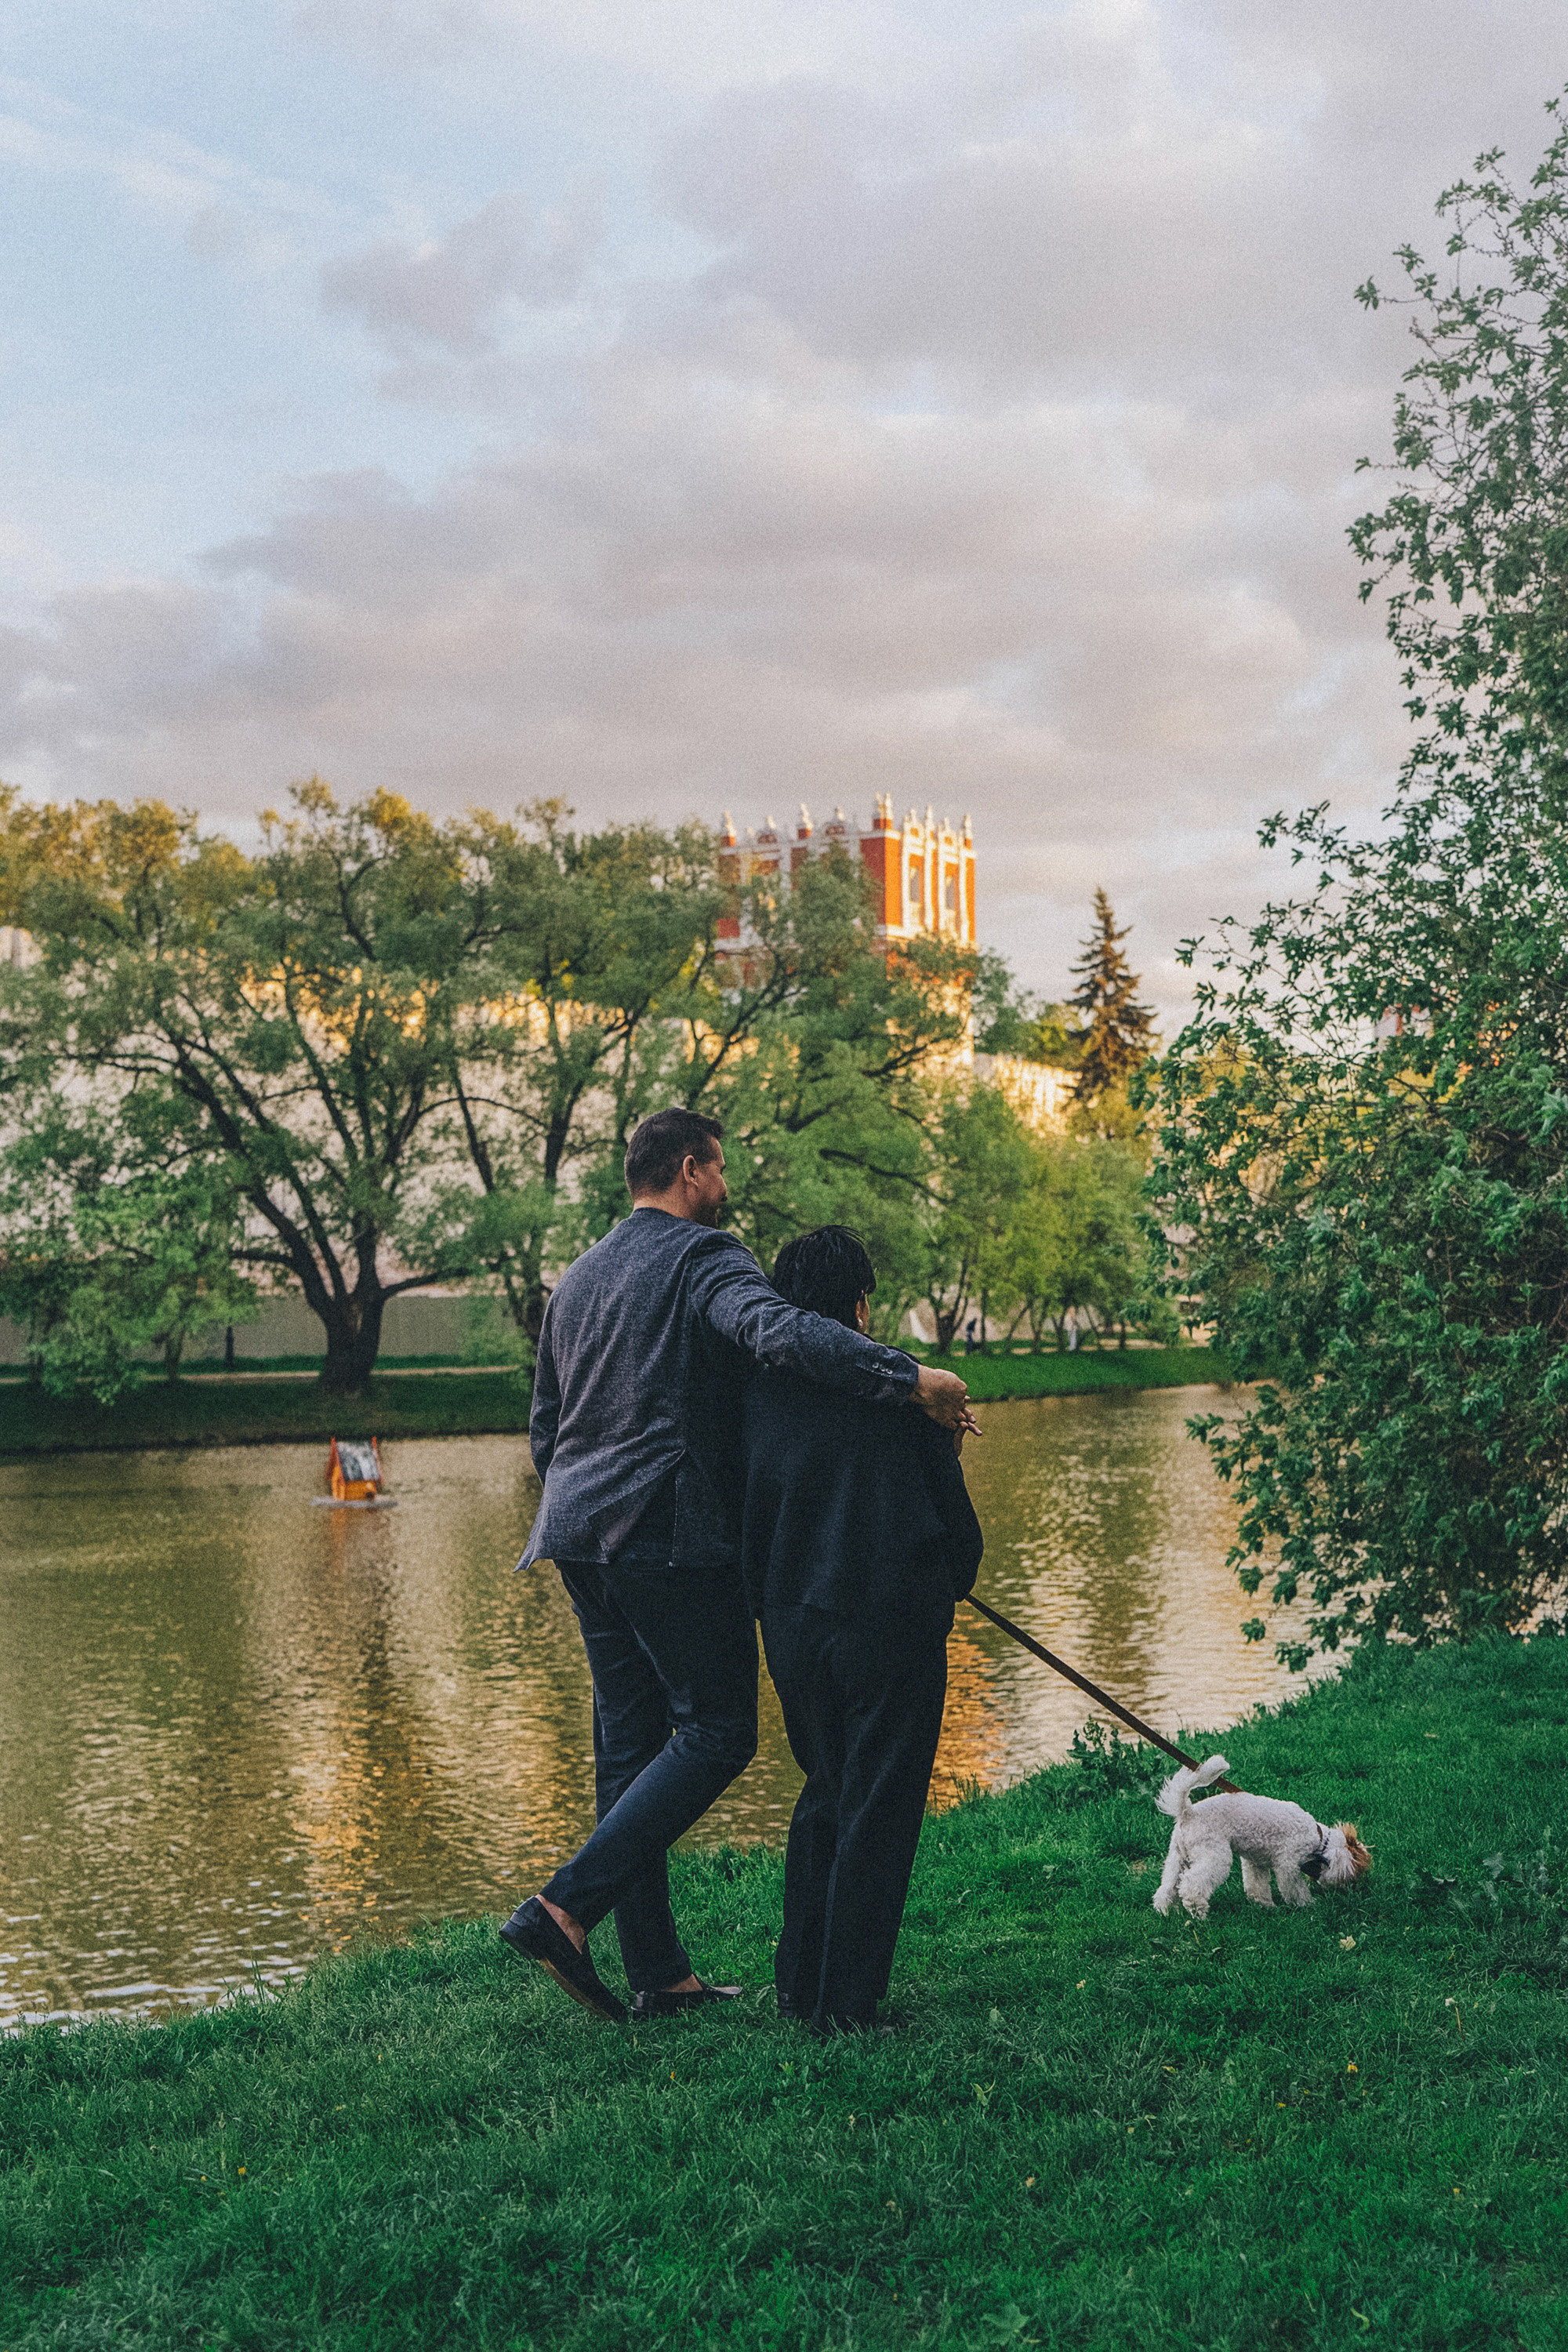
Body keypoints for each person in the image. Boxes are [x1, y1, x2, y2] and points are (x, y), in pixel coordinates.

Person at [500, 1110, 971, 2025]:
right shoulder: (706, 1260)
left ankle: (656, 1973)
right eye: (720, 1170)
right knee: (718, 1733)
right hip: (664, 1533)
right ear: (689, 1171)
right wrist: (910, 1379)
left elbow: (544, 1427)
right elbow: (781, 1333)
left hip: (575, 1535)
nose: (727, 1188)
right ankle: (563, 1906)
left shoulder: (579, 1277)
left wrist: (576, 1497)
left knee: (631, 1748)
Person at [741, 1225, 984, 2035]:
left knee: (824, 1790)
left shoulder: (756, 1399)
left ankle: (798, 1984)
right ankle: (847, 2006)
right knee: (877, 1805)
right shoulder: (907, 1399)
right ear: (855, 1305)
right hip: (889, 1623)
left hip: (791, 1625)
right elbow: (962, 1551)